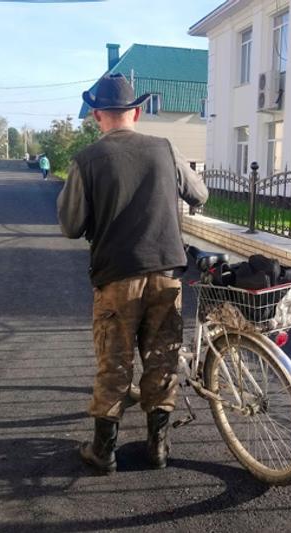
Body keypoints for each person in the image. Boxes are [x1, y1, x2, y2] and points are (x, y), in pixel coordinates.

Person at [57, 73, 208, 473]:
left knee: (115, 362)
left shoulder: (87, 160)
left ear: (97, 116)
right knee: (162, 359)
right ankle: (158, 447)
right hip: (166, 272)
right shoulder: (165, 149)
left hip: (117, 276)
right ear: (136, 113)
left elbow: (70, 225)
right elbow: (200, 193)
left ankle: (104, 451)